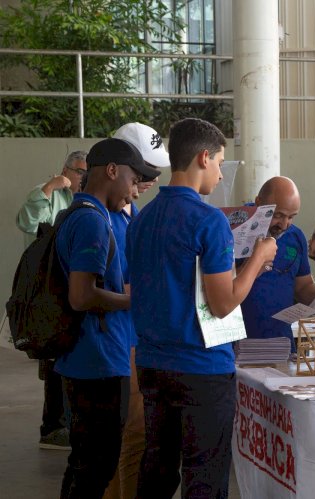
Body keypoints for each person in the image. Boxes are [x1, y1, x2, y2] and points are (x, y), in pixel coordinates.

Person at [127, 118, 277, 498]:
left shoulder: (141, 219)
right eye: (220, 161)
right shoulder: (209, 221)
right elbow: (223, 303)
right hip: (201, 370)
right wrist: (257, 261)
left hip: (152, 365)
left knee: (158, 469)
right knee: (205, 478)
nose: (219, 172)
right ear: (203, 157)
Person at [54, 138, 157, 498]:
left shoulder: (79, 214)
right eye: (133, 181)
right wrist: (131, 299)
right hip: (96, 362)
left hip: (88, 359)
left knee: (85, 467)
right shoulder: (93, 222)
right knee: (95, 469)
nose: (134, 191)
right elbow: (81, 296)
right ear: (111, 171)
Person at [103, 122, 170, 499]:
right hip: (119, 342)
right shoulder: (105, 216)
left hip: (133, 337)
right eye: (144, 173)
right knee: (132, 441)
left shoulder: (130, 208)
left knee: (128, 442)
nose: (150, 180)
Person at [16, 150, 87, 451]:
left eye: (87, 172)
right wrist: (50, 187)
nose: (83, 178)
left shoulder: (85, 200)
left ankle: (67, 422)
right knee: (55, 357)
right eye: (79, 172)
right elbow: (27, 221)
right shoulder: (49, 196)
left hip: (72, 285)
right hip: (47, 288)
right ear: (66, 171)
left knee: (68, 356)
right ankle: (53, 426)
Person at [239, 177, 315, 352]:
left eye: (291, 217)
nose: (284, 225)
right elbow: (221, 286)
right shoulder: (234, 228)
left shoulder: (295, 237)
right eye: (278, 215)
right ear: (258, 202)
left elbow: (303, 288)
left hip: (281, 344)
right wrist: (254, 264)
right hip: (238, 345)